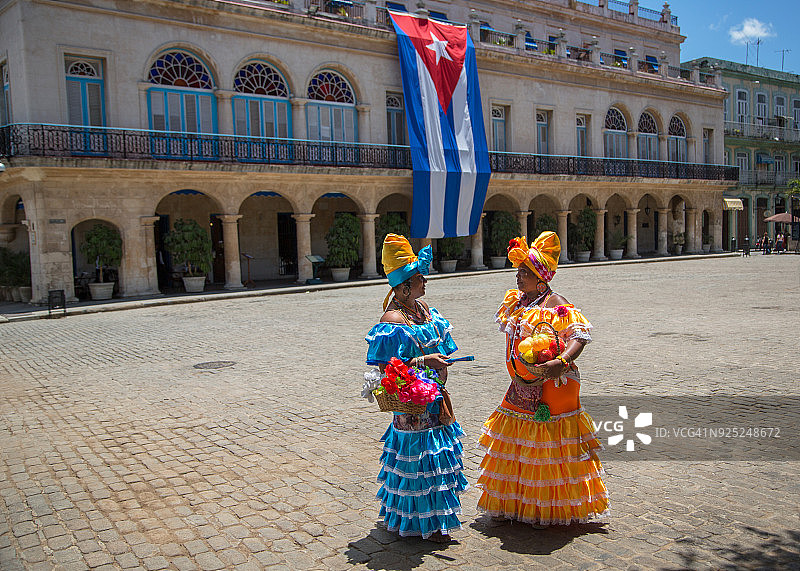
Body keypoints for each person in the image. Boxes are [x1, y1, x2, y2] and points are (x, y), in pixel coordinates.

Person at [476, 231, 608, 527]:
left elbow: (579, 336)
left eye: (525, 272)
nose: (518, 278)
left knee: (548, 442)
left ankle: (547, 506)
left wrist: (561, 361)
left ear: (541, 278)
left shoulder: (555, 303)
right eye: (519, 272)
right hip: (522, 384)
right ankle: (519, 501)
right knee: (519, 439)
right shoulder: (518, 302)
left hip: (554, 385)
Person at [364, 234, 468, 542]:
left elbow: (441, 344)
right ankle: (418, 523)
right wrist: (424, 360)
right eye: (420, 279)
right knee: (419, 465)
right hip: (412, 407)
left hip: (435, 401)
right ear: (404, 286)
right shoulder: (392, 320)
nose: (425, 283)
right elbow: (387, 370)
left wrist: (439, 362)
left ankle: (433, 520)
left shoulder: (423, 311)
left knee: (437, 463)